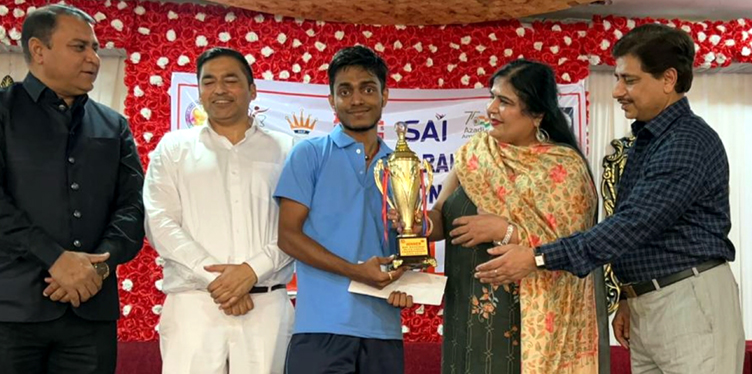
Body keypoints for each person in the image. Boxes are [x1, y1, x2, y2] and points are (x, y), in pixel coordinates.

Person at [478, 24, 745, 374]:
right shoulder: (649, 140)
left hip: (688, 300)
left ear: (668, 79)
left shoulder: (686, 141)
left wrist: (537, 257)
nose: (617, 91)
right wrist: (629, 296)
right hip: (654, 301)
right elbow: (641, 233)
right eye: (618, 78)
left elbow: (633, 225)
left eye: (629, 80)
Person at [0, 4, 145, 374]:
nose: (93, 58)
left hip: (90, 313)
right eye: (79, 47)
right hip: (6, 310)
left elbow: (131, 209)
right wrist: (56, 259)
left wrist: (97, 271)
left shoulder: (112, 125)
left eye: (95, 48)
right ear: (38, 50)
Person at [410, 59, 605, 374]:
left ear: (537, 115)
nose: (490, 109)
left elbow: (576, 248)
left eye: (504, 101)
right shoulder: (476, 154)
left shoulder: (564, 168)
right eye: (492, 97)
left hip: (523, 320)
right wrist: (418, 223)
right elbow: (441, 217)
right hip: (465, 310)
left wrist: (505, 231)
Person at [144, 47, 295, 374]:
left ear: (252, 89)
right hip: (193, 305)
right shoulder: (173, 148)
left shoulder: (288, 149)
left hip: (266, 304)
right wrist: (220, 281)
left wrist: (251, 271)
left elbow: (299, 227)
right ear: (199, 91)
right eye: (209, 81)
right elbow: (159, 222)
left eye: (231, 80)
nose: (219, 89)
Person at [275, 45, 414, 374]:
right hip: (321, 326)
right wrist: (355, 271)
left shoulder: (403, 167)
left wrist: (407, 280)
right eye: (345, 91)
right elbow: (288, 237)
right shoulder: (309, 155)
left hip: (384, 329)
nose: (356, 100)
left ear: (385, 95)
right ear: (331, 99)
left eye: (367, 88)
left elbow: (409, 242)